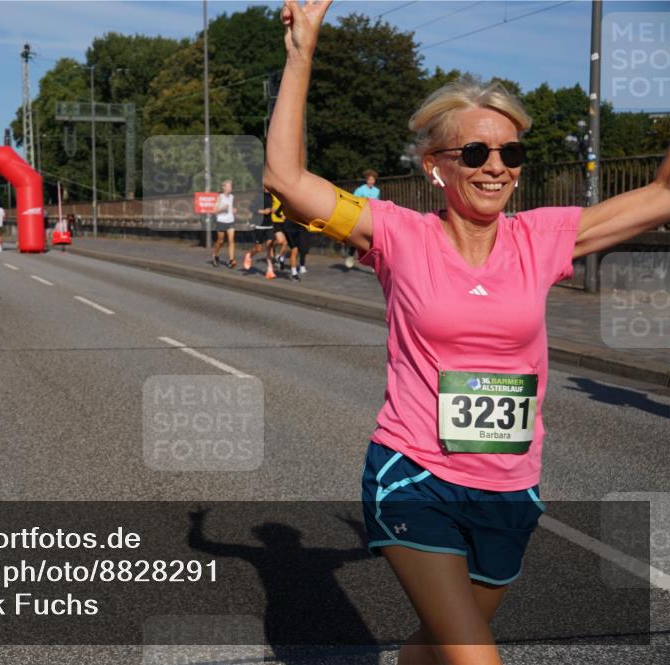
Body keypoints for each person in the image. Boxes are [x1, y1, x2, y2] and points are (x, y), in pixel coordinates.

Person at [265, 3, 670, 664]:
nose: (495, 166)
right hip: (413, 472)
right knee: (475, 657)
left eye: (510, 152)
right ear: (436, 166)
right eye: (476, 151)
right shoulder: (396, 232)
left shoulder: (544, 237)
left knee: (434, 647)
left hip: (511, 485)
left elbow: (662, 193)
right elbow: (287, 178)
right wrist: (301, 51)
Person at [342, 170, 381, 268]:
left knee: (373, 239)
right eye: (370, 179)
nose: (371, 181)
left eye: (373, 180)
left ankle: (374, 262)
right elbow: (354, 201)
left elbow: (378, 203)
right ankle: (351, 255)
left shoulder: (377, 191)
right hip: (361, 216)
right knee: (358, 236)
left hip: (372, 217)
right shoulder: (360, 190)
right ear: (366, 180)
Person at [242, 188, 277, 279]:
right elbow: (252, 208)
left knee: (269, 245)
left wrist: (272, 210)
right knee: (259, 248)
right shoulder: (259, 196)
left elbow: (271, 208)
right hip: (259, 225)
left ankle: (270, 270)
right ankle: (249, 255)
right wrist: (263, 211)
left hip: (269, 225)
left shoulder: (271, 196)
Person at [211, 179, 238, 268]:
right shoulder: (220, 197)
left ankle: (231, 260)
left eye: (231, 186)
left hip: (230, 221)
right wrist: (222, 208)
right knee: (221, 241)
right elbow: (214, 210)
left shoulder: (232, 197)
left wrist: (233, 210)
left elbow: (231, 207)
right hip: (221, 221)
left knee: (231, 241)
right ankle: (215, 255)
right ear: (224, 188)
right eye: (229, 186)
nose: (230, 188)